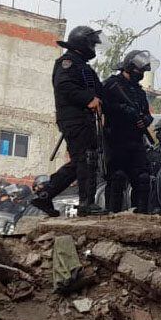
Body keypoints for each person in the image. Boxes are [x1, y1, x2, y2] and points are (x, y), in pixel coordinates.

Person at [31, 25, 106, 217]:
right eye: (91, 44)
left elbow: (100, 90)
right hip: (74, 119)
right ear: (82, 43)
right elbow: (64, 86)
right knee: (85, 159)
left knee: (83, 161)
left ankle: (46, 194)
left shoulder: (84, 67)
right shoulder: (67, 62)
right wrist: (88, 99)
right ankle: (86, 203)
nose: (93, 48)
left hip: (85, 120)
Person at [102, 50, 154, 213]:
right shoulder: (112, 84)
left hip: (136, 140)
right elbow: (102, 106)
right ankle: (113, 216)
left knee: (143, 179)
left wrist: (145, 120)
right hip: (116, 139)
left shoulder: (139, 92)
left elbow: (147, 114)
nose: (141, 74)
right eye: (139, 70)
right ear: (129, 67)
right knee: (117, 178)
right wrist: (122, 109)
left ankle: (140, 217)